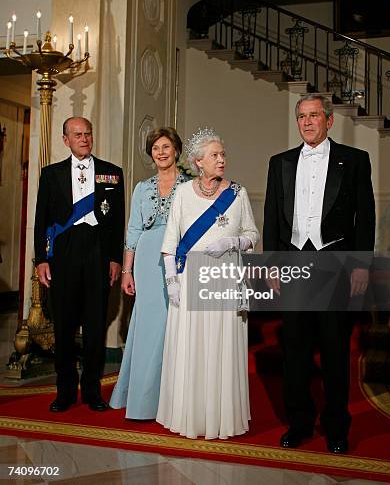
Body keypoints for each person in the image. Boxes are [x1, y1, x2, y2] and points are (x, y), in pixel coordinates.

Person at [263, 93, 375, 454]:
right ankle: (299, 424)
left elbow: (366, 216)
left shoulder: (355, 160)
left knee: (334, 350)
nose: (308, 122)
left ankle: (336, 428)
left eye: (314, 116)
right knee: (294, 350)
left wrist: (360, 264)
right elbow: (271, 219)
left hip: (335, 263)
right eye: (301, 116)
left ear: (329, 120)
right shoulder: (278, 162)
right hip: (294, 261)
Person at [156, 128, 259, 439]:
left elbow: (254, 237)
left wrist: (233, 241)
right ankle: (192, 415)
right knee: (193, 345)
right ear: (198, 161)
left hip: (225, 277)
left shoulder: (237, 194)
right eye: (215, 155)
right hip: (190, 280)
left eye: (223, 154)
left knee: (221, 344)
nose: (222, 160)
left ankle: (221, 417)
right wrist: (171, 280)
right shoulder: (183, 193)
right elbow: (170, 242)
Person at [34, 117, 125, 412]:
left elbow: (116, 223)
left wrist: (115, 259)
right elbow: (42, 221)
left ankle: (92, 391)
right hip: (64, 254)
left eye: (88, 134)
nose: (84, 139)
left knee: (96, 327)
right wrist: (42, 260)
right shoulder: (51, 175)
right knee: (64, 326)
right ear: (66, 140)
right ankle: (65, 392)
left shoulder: (112, 173)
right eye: (77, 135)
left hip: (98, 253)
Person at [109, 127, 187, 419]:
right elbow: (133, 230)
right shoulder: (142, 188)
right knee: (147, 326)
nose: (161, 152)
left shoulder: (190, 186)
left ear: (176, 150)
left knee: (173, 325)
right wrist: (127, 271)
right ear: (150, 154)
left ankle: (172, 400)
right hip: (145, 259)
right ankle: (143, 399)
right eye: (156, 148)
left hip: (178, 259)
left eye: (166, 147)